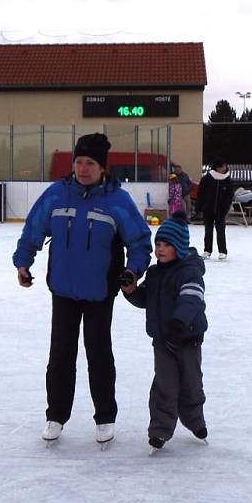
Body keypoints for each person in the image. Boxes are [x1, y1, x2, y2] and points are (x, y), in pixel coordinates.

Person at [13, 133, 153, 446]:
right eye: (78, 161)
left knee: (99, 353)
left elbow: (141, 241)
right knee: (60, 354)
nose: (83, 168)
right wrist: (23, 262)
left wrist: (133, 271)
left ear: (102, 167)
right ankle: (56, 415)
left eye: (90, 163)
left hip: (100, 291)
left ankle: (105, 416)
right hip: (62, 289)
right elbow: (34, 228)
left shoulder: (117, 200)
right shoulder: (57, 194)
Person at [121, 210, 208, 453]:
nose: (160, 249)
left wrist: (179, 323)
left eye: (167, 244)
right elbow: (146, 298)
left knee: (191, 384)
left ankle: (194, 420)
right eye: (158, 243)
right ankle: (160, 430)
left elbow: (192, 299)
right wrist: (131, 292)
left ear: (179, 247)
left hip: (187, 339)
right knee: (164, 385)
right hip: (162, 341)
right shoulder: (155, 272)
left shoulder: (189, 271)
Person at [195, 161, 233, 260]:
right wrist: (199, 207)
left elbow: (229, 196)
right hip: (208, 209)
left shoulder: (227, 180)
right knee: (208, 230)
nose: (224, 168)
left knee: (221, 230)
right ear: (217, 168)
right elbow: (200, 194)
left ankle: (222, 251)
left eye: (225, 166)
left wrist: (225, 208)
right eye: (222, 166)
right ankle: (207, 250)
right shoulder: (206, 179)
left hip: (221, 210)